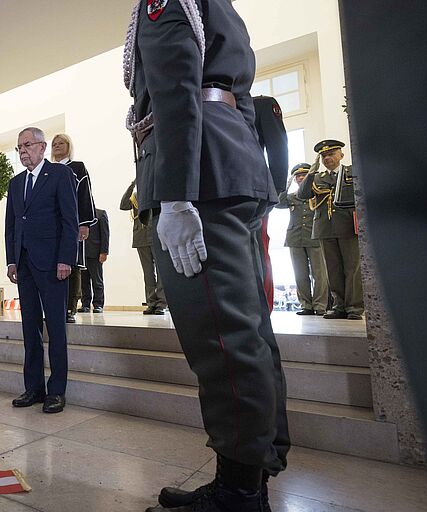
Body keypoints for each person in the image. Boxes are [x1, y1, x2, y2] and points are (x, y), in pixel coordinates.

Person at [123, 0, 289, 509]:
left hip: (200, 179)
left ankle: (238, 495)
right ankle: (248, 477)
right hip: (228, 164)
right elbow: (237, 96)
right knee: (248, 334)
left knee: (222, 341)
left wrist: (176, 196)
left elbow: (174, 85)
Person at [6, 127, 78, 414]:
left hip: (52, 264)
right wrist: (11, 261)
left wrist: (66, 259)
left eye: (27, 145)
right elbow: (12, 226)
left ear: (42, 147)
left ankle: (56, 391)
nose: (23, 151)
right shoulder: (15, 183)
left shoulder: (59, 174)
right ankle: (34, 388)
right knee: (30, 327)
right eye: (19, 147)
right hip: (24, 264)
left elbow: (70, 220)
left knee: (56, 328)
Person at [297, 139, 364, 320]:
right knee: (333, 270)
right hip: (325, 228)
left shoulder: (351, 172)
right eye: (324, 155)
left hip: (348, 226)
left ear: (341, 154)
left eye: (331, 154)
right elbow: (302, 195)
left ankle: (354, 307)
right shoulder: (317, 178)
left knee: (352, 268)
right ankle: (338, 306)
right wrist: (310, 173)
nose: (327, 158)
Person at [51, 134, 96, 323]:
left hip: (72, 225)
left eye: (61, 143)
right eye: (54, 144)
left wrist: (84, 223)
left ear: (69, 146)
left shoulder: (77, 167)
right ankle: (54, 309)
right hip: (52, 227)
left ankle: (70, 308)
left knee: (72, 265)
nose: (57, 146)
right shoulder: (48, 170)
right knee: (52, 266)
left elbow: (85, 194)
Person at [276, 164, 328, 315]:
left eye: (304, 175)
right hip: (295, 238)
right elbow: (278, 203)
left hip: (314, 237)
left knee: (319, 274)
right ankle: (306, 305)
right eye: (297, 176)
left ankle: (320, 305)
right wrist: (285, 186)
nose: (300, 178)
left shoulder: (317, 194)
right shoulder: (292, 196)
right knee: (300, 274)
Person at [253, 96, 289, 312]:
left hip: (254, 193)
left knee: (257, 251)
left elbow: (278, 146)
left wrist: (275, 189)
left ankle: (263, 310)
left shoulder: (261, 105)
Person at [121, 180, 167, 315]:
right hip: (141, 238)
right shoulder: (136, 197)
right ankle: (151, 303)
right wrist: (132, 185)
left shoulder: (158, 194)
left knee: (161, 273)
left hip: (157, 237)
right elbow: (123, 205)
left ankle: (162, 303)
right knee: (148, 273)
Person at [81, 208, 110, 313]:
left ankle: (98, 304)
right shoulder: (80, 215)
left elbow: (105, 234)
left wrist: (104, 252)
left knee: (97, 281)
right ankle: (85, 304)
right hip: (82, 254)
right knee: (84, 282)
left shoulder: (100, 214)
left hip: (95, 253)